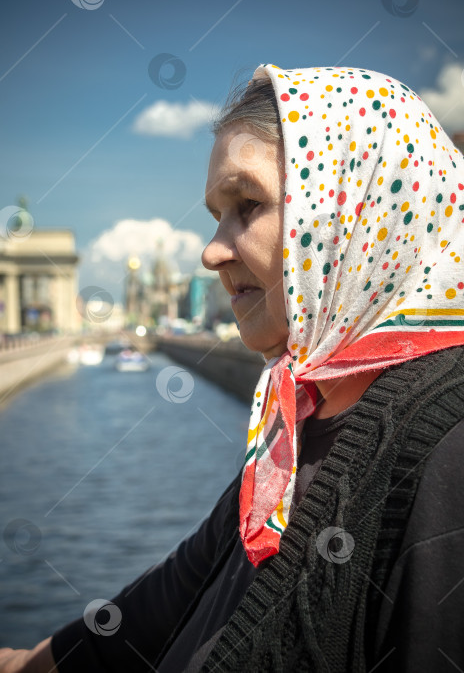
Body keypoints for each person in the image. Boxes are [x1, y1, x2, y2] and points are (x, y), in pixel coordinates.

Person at [2, 63, 464, 672]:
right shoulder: (297, 416)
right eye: (216, 213)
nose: (211, 250)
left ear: (356, 215)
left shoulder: (446, 453)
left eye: (246, 205)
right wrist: (36, 663)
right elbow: (177, 588)